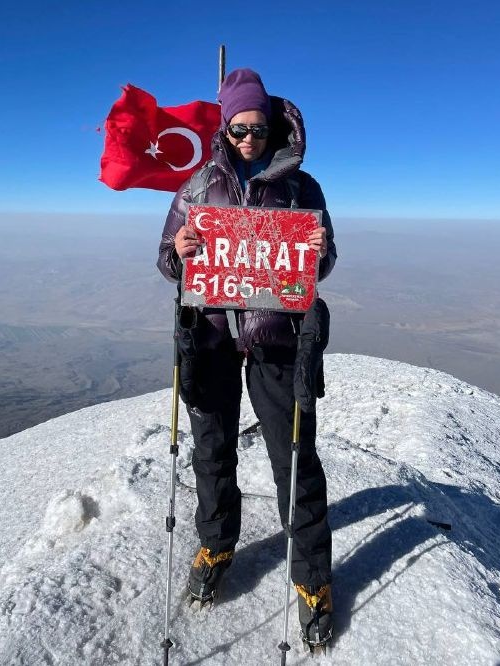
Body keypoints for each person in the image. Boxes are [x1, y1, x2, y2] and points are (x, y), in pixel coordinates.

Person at [157, 68, 337, 647]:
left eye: (257, 129)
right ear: (224, 127)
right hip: (211, 336)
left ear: (273, 127)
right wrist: (180, 251)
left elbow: (322, 263)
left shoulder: (301, 188)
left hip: (277, 337)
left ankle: (311, 577)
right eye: (238, 129)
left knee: (295, 456)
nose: (248, 140)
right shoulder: (197, 187)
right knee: (212, 449)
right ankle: (216, 543)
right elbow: (166, 258)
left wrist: (319, 250)